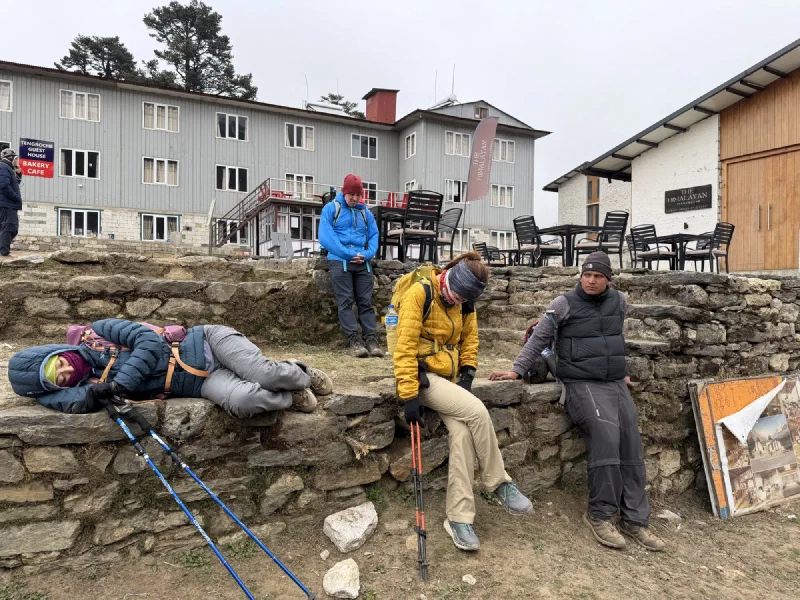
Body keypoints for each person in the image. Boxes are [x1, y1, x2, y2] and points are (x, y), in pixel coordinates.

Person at [489, 251, 665, 552]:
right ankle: (599, 515)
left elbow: (612, 338)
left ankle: (635, 520)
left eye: (598, 276)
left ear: (608, 279)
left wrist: (619, 372)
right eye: (587, 275)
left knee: (631, 444)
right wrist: (516, 370)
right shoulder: (564, 304)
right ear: (580, 276)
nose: (591, 281)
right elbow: (539, 338)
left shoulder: (619, 302)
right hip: (581, 383)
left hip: (613, 382)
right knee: (607, 439)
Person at [394, 251, 533, 552]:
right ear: (450, 277)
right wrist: (409, 394)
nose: (457, 301)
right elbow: (403, 346)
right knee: (478, 411)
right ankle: (499, 482)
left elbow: (470, 340)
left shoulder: (466, 301)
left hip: (450, 377)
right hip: (423, 378)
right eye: (455, 295)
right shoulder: (421, 293)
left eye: (463, 299)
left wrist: (468, 375)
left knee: (462, 435)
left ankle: (458, 518)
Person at [8, 319, 333, 418]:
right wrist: (46, 397)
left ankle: (302, 374)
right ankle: (292, 395)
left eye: (58, 364)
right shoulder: (93, 384)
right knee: (244, 403)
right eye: (58, 380)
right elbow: (75, 402)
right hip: (200, 383)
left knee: (265, 374)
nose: (65, 372)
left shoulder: (98, 332)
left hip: (207, 342)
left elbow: (148, 343)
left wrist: (120, 385)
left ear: (56, 352)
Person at [318, 174, 381, 358]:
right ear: (344, 192)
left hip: (362, 261)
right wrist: (348, 254)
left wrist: (368, 255)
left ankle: (371, 339)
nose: (354, 198)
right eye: (351, 194)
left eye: (357, 194)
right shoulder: (331, 209)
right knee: (345, 301)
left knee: (365, 302)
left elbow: (374, 235)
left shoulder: (365, 213)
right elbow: (326, 236)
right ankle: (354, 340)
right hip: (340, 260)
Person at [0, 147, 22, 257]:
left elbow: (13, 184)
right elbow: (4, 186)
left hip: (5, 204)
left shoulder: (7, 168)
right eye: (16, 159)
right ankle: (4, 252)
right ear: (11, 158)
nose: (17, 161)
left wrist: (18, 173)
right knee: (10, 227)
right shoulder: (4, 167)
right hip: (7, 204)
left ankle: (2, 251)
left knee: (5, 228)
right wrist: (16, 198)